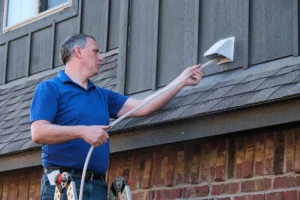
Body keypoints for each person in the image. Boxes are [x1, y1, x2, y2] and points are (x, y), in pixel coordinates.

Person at [30, 33, 203, 199]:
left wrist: (182, 80)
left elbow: (145, 106)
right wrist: (82, 131)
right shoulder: (50, 88)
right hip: (62, 185)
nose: (101, 58)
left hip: (97, 185)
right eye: (95, 51)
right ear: (78, 52)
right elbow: (38, 133)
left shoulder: (103, 96)